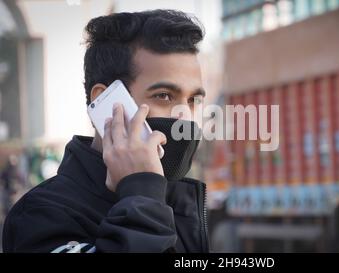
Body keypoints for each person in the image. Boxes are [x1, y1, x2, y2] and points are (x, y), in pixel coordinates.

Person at [2, 9, 209, 253]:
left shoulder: (178, 206)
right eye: (164, 96)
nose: (184, 114)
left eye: (194, 100)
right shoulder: (40, 215)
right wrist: (141, 193)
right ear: (108, 102)